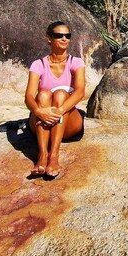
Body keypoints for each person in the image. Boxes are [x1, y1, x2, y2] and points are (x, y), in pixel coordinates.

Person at [25, 21, 86, 179]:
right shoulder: (38, 65)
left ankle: (54, 156)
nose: (64, 39)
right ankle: (42, 155)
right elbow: (29, 97)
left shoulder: (76, 63)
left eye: (68, 36)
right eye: (59, 36)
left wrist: (59, 111)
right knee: (43, 95)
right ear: (49, 39)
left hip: (66, 119)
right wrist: (39, 111)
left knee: (60, 94)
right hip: (43, 118)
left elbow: (80, 92)